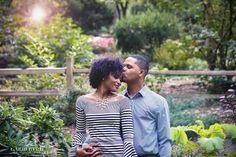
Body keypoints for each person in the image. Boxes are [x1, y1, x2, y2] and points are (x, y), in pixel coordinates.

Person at [69, 55, 137, 157]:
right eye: (115, 76)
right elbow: (80, 132)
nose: (119, 82)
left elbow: (128, 137)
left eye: (120, 78)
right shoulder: (82, 101)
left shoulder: (123, 101)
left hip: (118, 154)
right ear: (103, 75)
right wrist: (77, 150)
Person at [122, 55, 172, 157]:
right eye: (123, 66)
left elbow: (164, 140)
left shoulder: (158, 102)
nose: (123, 69)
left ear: (141, 72)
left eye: (129, 67)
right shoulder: (116, 100)